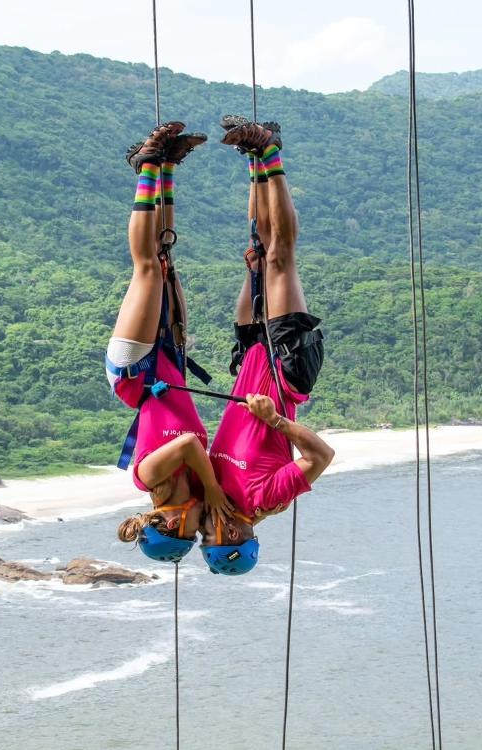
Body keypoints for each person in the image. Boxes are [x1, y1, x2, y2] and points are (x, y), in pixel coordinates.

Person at [201, 117, 335, 575]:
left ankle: (254, 157)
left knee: (259, 251)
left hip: (251, 362)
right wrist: (275, 420)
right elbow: (322, 457)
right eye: (212, 539)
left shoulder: (212, 492)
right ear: (235, 537)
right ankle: (271, 149)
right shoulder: (266, 500)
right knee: (280, 256)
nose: (207, 532)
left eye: (205, 539)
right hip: (284, 375)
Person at [107, 121, 231, 563]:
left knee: (147, 269)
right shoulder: (196, 483)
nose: (201, 530)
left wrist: (211, 489)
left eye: (192, 533)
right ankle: (167, 166)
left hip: (135, 371)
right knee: (164, 258)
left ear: (173, 521)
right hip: (169, 365)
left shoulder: (147, 476)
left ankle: (145, 165)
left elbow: (185, 446)